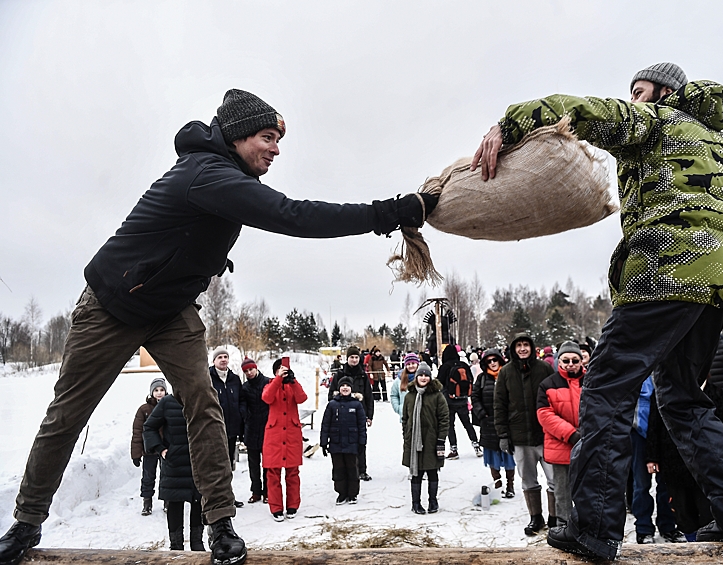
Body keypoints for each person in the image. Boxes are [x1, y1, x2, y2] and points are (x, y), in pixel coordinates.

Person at [0, 88, 437, 565]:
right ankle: (25, 522)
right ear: (237, 136)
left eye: (278, 140)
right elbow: (292, 215)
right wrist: (388, 213)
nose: (275, 149)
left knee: (203, 404)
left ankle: (221, 523)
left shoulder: (225, 175)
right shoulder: (208, 174)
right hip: (112, 304)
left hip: (171, 311)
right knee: (67, 414)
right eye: (267, 137)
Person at [472, 63, 723, 559]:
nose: (633, 100)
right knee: (681, 398)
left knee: (608, 387)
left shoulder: (655, 122)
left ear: (665, 93)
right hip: (717, 287)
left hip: (666, 271)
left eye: (639, 91)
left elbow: (586, 112)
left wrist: (512, 123)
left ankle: (594, 527)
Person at [495, 332, 556, 535]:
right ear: (514, 349)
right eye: (519, 345)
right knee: (528, 480)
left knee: (554, 479)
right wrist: (503, 434)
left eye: (526, 345)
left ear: (532, 347)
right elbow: (500, 405)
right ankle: (535, 517)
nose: (522, 349)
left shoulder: (544, 368)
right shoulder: (505, 372)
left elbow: (555, 398)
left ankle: (555, 519)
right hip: (519, 436)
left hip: (546, 435)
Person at [143, 391, 205, 552]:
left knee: (198, 502)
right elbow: (149, 427)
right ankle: (176, 545)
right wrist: (161, 449)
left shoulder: (202, 398)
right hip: (175, 462)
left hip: (197, 461)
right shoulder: (167, 402)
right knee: (175, 504)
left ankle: (197, 543)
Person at [646, 392, 712, 541]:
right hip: (672, 457)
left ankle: (704, 542)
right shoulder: (661, 392)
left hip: (703, 458)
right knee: (682, 509)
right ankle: (691, 542)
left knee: (705, 508)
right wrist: (652, 457)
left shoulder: (710, 390)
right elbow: (654, 425)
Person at [536, 342, 584, 528]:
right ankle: (564, 525)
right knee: (562, 491)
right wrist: (570, 433)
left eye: (575, 360)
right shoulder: (548, 384)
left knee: (585, 489)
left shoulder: (591, 382)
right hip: (561, 445)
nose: (570, 364)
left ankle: (585, 525)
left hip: (587, 444)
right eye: (566, 360)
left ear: (581, 361)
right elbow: (545, 414)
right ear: (559, 362)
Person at [630, 377, 683, 544]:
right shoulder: (634, 366)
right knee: (641, 484)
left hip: (664, 432)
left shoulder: (664, 366)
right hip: (638, 432)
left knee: (667, 484)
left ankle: (668, 525)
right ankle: (643, 527)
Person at [261, 358, 307, 521]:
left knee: (293, 472)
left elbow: (302, 398)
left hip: (292, 434)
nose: (284, 372)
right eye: (281, 369)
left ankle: (293, 505)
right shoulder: (270, 384)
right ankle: (276, 508)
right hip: (274, 435)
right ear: (275, 371)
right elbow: (266, 397)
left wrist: (292, 381)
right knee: (273, 473)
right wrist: (278, 379)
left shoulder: (292, 385)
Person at [402, 362, 449, 514]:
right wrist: (407, 435)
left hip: (432, 440)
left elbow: (444, 418)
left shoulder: (437, 396)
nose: (423, 378)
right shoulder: (410, 396)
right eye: (420, 375)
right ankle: (416, 503)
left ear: (430, 377)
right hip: (414, 441)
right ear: (416, 377)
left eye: (426, 375)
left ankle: (433, 501)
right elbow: (405, 418)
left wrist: (441, 438)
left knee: (432, 471)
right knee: (416, 473)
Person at [471, 348, 516, 498]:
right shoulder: (482, 378)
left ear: (500, 360)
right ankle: (497, 483)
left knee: (508, 454)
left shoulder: (508, 376)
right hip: (488, 423)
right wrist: (482, 414)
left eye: (494, 360)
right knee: (492, 455)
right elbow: (475, 397)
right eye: (489, 361)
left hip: (507, 423)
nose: (492, 363)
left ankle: (510, 485)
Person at [328, 346, 375, 481]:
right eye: (351, 357)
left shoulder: (363, 375)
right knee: (344, 444)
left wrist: (369, 415)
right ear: (347, 358)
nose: (354, 360)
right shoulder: (340, 374)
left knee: (360, 442)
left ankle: (362, 470)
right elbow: (331, 396)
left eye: (356, 357)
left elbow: (369, 396)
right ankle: (345, 471)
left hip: (359, 415)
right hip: (342, 416)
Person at [321, 376, 367, 505]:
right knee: (338, 469)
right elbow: (325, 424)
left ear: (351, 389)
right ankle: (341, 493)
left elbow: (362, 425)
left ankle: (352, 494)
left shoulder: (357, 405)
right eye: (342, 386)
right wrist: (324, 442)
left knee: (352, 469)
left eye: (347, 386)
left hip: (352, 443)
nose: (345, 388)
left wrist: (362, 443)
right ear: (338, 388)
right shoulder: (332, 405)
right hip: (336, 443)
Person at [209, 348, 245, 508]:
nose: (223, 360)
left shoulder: (234, 379)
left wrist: (240, 413)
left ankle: (228, 497)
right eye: (220, 357)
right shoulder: (208, 378)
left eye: (225, 357)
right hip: (213, 430)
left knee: (228, 465)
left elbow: (242, 399)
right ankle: (213, 499)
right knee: (214, 465)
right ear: (214, 361)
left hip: (231, 430)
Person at [437, 346, 481, 459]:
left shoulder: (444, 367)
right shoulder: (464, 365)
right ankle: (476, 445)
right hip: (463, 400)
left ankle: (454, 449)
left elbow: (439, 383)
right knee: (467, 424)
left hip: (448, 400)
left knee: (450, 426)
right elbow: (470, 380)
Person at [131, 377, 167, 516]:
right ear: (151, 392)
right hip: (149, 450)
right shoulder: (144, 409)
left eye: (162, 390)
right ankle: (147, 503)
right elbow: (137, 432)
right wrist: (136, 454)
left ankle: (167, 502)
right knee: (148, 476)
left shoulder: (169, 406)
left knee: (166, 476)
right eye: (156, 390)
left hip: (165, 449)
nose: (159, 393)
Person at [239, 357, 270, 504]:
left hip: (267, 428)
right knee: (253, 464)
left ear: (256, 368)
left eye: (251, 369)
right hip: (251, 428)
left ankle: (268, 492)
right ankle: (256, 491)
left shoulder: (267, 383)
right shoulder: (245, 388)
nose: (249, 372)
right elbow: (242, 403)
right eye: (246, 371)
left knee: (267, 463)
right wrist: (245, 414)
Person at [391, 353, 419, 422]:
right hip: (406, 417)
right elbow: (394, 395)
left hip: (421, 416)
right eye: (408, 364)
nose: (411, 366)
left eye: (413, 363)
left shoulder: (423, 377)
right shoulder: (399, 380)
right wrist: (399, 408)